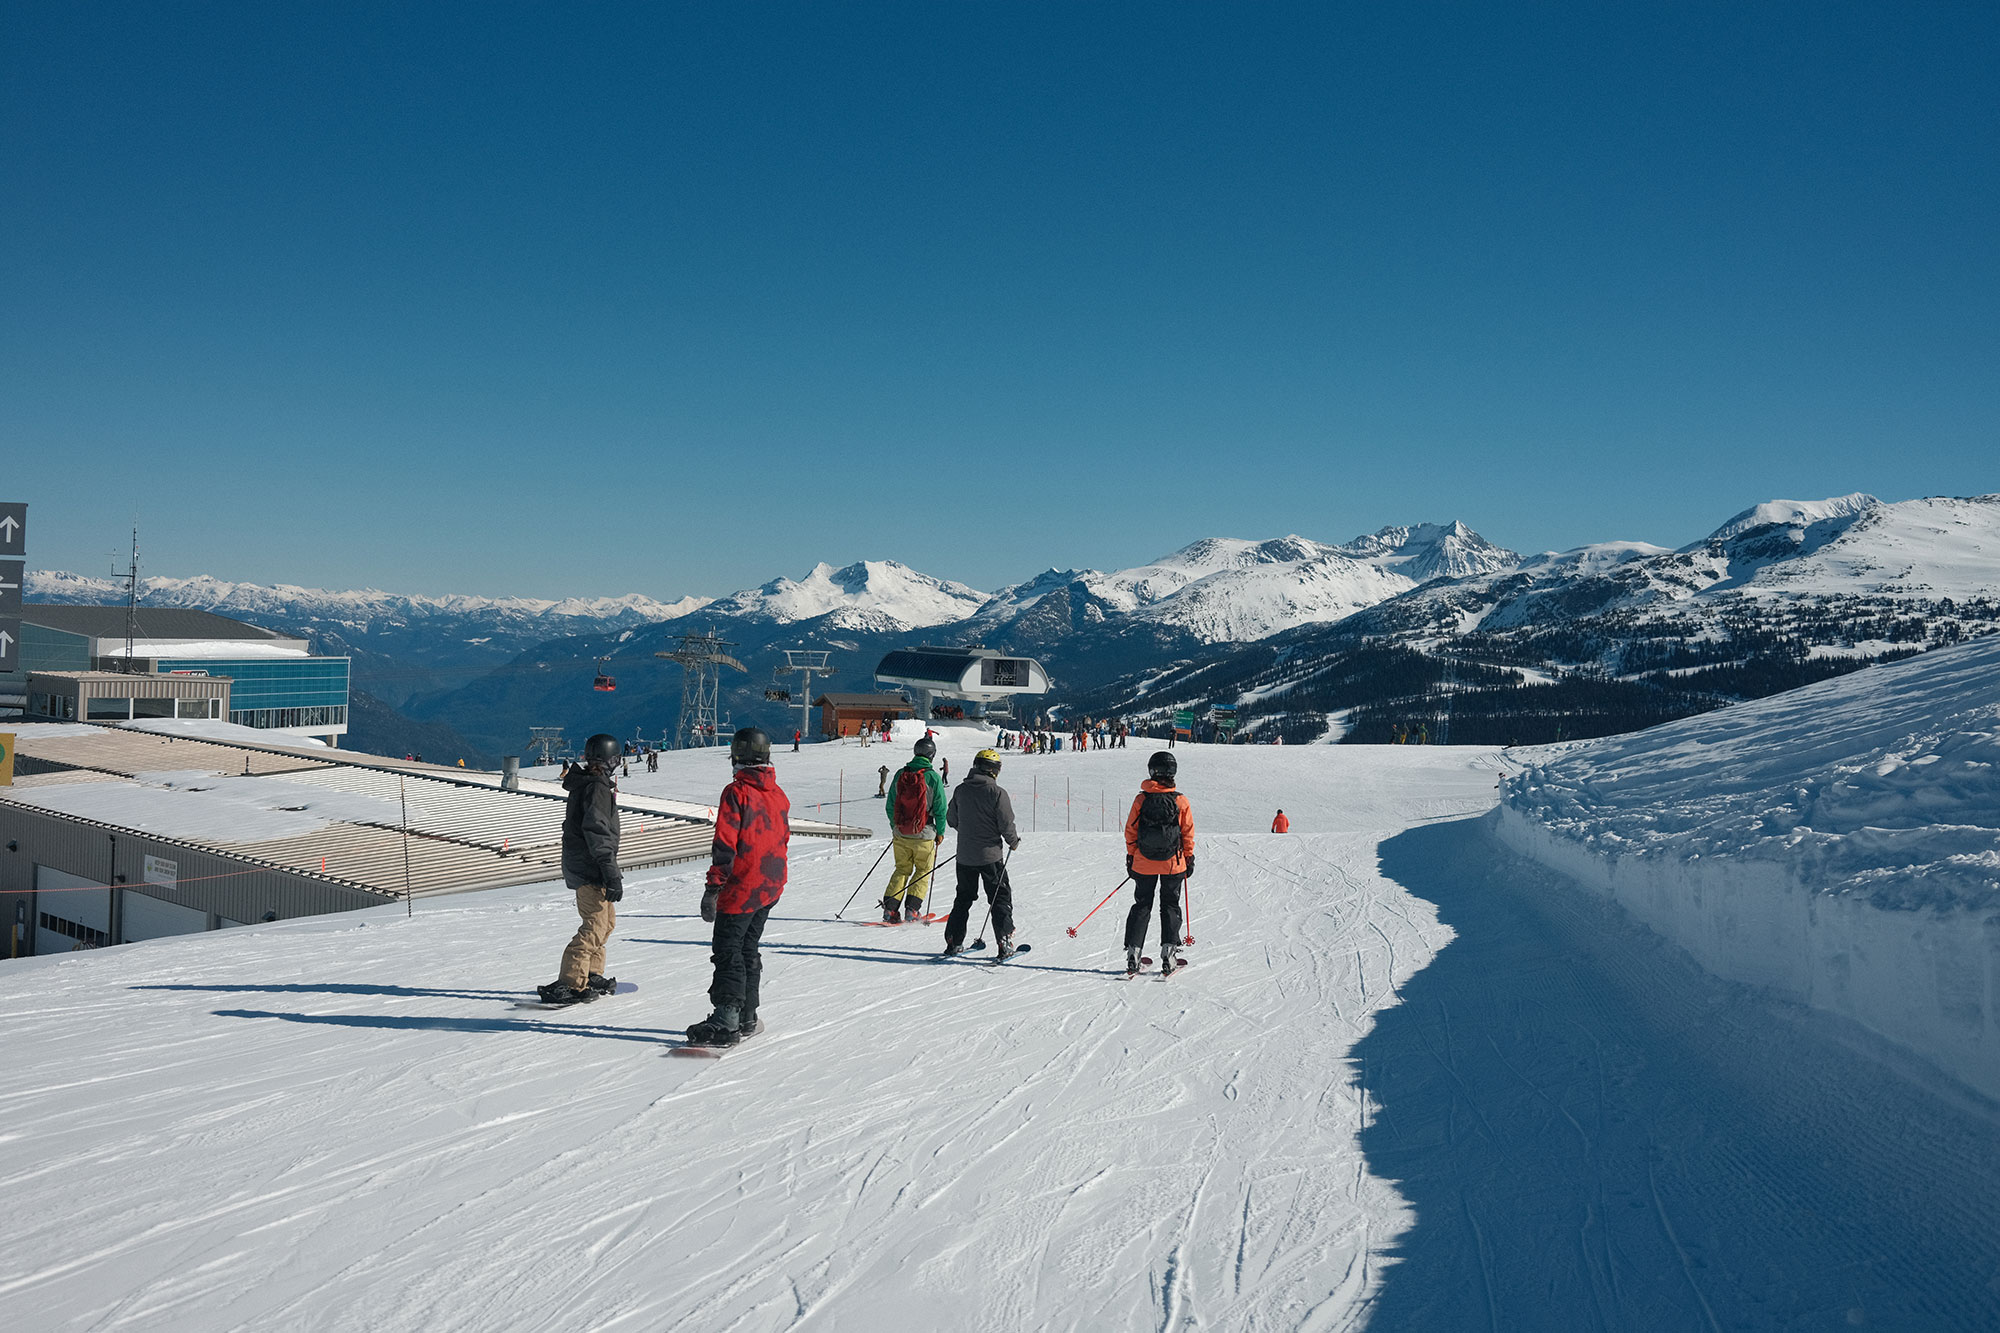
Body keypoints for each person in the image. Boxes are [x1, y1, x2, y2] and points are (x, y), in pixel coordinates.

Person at [685, 727, 791, 1047]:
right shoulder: (778, 793)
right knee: (748, 948)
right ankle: (747, 1015)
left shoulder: (736, 792)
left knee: (729, 949)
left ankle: (727, 1019)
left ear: (736, 756)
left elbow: (725, 844)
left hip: (742, 887)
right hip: (770, 886)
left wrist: (713, 888)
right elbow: (782, 837)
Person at [538, 733, 625, 1005]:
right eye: (616, 759)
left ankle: (590, 973)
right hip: (591, 869)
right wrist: (610, 872)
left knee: (605, 924)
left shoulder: (592, 784)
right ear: (609, 760)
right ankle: (570, 982)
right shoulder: (596, 788)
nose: (617, 764)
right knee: (593, 927)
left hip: (590, 866)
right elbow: (598, 833)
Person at [942, 748, 1022, 957]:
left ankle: (953, 941)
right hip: (990, 857)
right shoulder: (997, 793)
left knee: (963, 898)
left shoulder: (961, 790)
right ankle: (1004, 942)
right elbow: (1006, 824)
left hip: (965, 857)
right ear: (994, 770)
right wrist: (1013, 842)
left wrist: (968, 832)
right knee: (999, 897)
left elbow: (951, 819)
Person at [1123, 750, 1195, 977]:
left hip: (1143, 862)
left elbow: (1131, 831)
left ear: (1152, 771)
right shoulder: (1180, 800)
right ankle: (1169, 955)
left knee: (1142, 905)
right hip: (1173, 863)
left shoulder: (1141, 800)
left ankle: (1133, 954)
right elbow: (1187, 833)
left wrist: (1132, 855)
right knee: (1170, 905)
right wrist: (1189, 857)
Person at [882, 735, 946, 922]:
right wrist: (940, 832)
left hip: (901, 833)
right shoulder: (933, 777)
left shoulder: (900, 774)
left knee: (901, 870)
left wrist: (896, 826)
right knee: (923, 870)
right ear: (932, 755)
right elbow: (941, 809)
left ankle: (890, 910)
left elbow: (890, 805)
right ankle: (912, 910)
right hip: (924, 834)